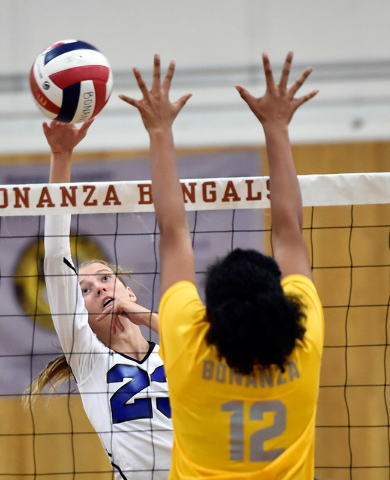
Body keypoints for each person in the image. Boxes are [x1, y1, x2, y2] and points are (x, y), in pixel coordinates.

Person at [120, 52, 323, 479]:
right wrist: (277, 126)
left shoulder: (189, 342)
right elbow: (289, 231)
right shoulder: (303, 346)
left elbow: (174, 230)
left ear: (212, 312)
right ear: (280, 301)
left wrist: (159, 130)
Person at [24, 119, 173, 480]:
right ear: (81, 314)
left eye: (107, 279)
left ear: (128, 291)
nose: (101, 289)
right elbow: (56, 257)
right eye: (86, 290)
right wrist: (62, 156)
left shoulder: (175, 346)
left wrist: (144, 315)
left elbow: (203, 337)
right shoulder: (88, 358)